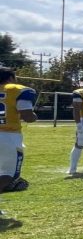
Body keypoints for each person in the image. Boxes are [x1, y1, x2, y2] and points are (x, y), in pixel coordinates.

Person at [0, 68, 36, 220]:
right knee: (10, 176)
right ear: (10, 78)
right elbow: (27, 116)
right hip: (8, 136)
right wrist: (34, 116)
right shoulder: (16, 90)